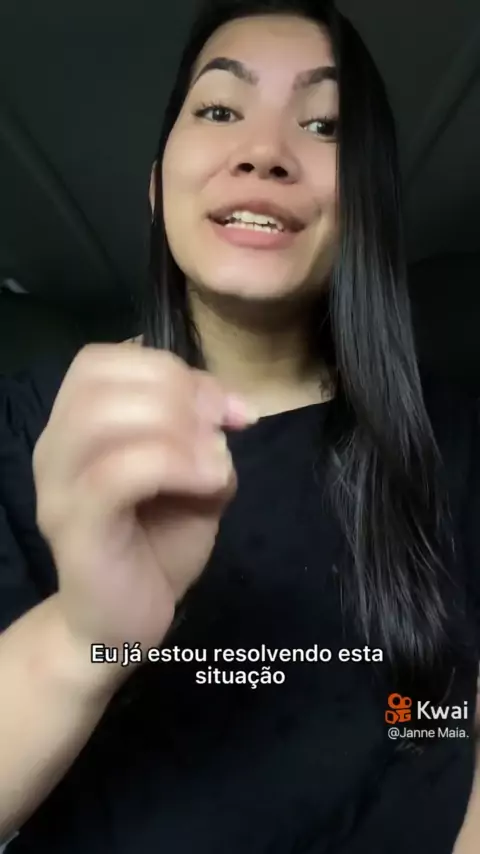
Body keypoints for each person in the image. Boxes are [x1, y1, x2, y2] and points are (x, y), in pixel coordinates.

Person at [0, 0, 479, 851]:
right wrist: (86, 638)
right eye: (220, 110)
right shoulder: (36, 424)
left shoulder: (454, 440)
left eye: (324, 125)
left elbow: (444, 719)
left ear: (367, 202)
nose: (264, 151)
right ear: (158, 185)